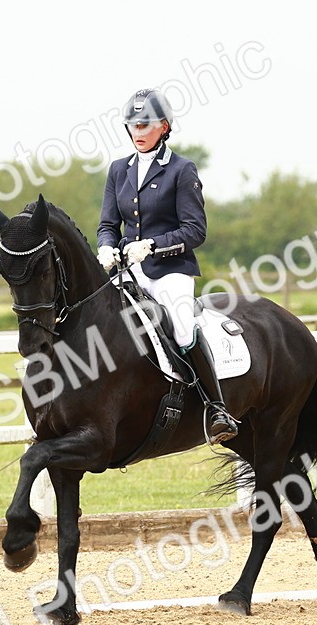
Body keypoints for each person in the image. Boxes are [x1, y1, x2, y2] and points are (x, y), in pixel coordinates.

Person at [96, 88, 238, 445]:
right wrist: (106, 248)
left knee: (182, 326)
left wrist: (153, 246)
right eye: (132, 125)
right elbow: (108, 225)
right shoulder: (118, 170)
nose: (138, 132)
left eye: (144, 125)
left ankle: (215, 407)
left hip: (170, 269)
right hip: (126, 270)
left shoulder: (181, 169)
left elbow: (195, 230)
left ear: (163, 126)